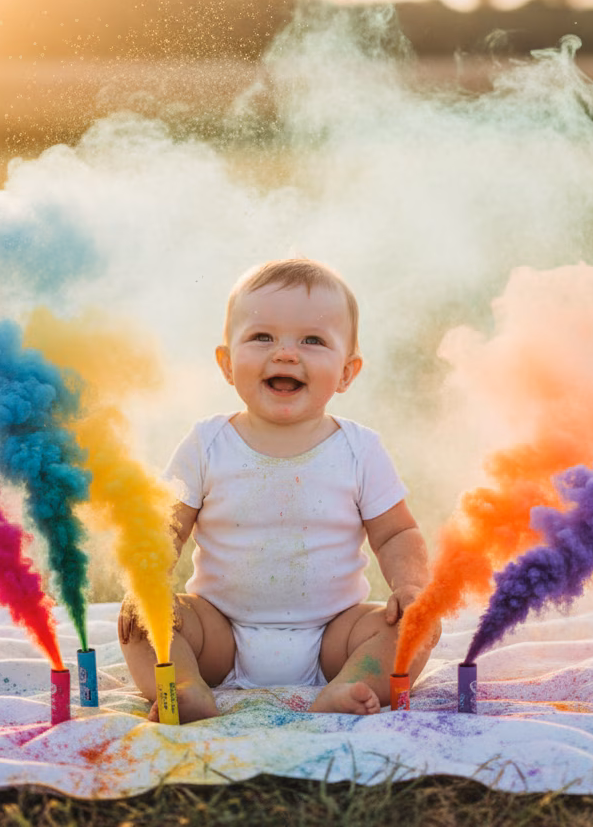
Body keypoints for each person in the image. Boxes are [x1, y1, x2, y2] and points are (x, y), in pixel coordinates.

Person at [118, 257, 436, 720]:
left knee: (418, 628)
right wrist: (147, 584)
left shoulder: (359, 449)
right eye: (262, 337)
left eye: (313, 340)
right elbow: (167, 527)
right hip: (219, 633)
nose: (286, 354)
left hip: (335, 637)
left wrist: (411, 586)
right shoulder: (207, 443)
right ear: (227, 363)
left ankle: (351, 686)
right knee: (143, 622)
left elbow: (396, 533)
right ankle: (184, 687)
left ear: (347, 372)